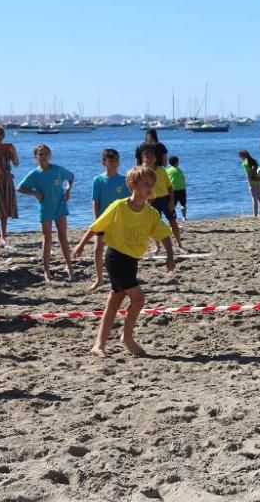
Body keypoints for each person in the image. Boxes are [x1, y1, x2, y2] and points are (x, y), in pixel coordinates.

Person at [73, 166, 175, 357]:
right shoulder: (119, 206)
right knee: (139, 299)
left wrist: (170, 256)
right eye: (145, 184)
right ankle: (127, 338)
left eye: (152, 185)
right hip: (116, 258)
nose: (150, 188)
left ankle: (99, 344)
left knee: (114, 301)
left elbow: (164, 235)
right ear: (132, 185)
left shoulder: (151, 213)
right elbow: (96, 227)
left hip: (132, 261)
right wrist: (80, 245)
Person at [17, 145, 75, 282]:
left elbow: (71, 177)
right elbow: (20, 188)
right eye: (40, 154)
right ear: (36, 157)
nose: (43, 156)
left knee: (63, 237)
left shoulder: (58, 170)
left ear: (50, 155)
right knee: (47, 238)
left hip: (60, 207)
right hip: (45, 208)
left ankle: (69, 266)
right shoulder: (35, 174)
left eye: (45, 153)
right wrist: (34, 193)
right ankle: (46, 270)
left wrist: (68, 190)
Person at [89, 149, 130, 291]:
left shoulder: (124, 181)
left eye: (116, 160)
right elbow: (95, 201)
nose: (114, 163)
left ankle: (120, 278)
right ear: (104, 162)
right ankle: (99, 279)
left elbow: (128, 201)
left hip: (118, 221)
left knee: (119, 250)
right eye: (111, 160)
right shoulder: (98, 180)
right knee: (98, 249)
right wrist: (96, 220)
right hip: (102, 220)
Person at [138, 144, 186, 252]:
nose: (148, 160)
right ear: (143, 159)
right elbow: (139, 189)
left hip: (165, 198)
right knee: (154, 225)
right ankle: (158, 246)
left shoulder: (161, 170)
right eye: (146, 157)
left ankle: (179, 244)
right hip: (151, 200)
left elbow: (169, 187)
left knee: (173, 221)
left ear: (155, 159)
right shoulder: (142, 172)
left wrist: (171, 201)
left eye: (151, 157)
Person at [0, 125, 19, 248]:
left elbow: (16, 163)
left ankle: (3, 236)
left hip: (6, 180)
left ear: (2, 136)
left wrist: (14, 153)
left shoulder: (8, 148)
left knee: (4, 209)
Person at [239, 150, 260, 217]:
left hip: (252, 181)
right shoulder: (253, 160)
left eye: (240, 157)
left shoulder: (245, 163)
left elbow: (248, 174)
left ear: (242, 156)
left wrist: (249, 183)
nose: (240, 159)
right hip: (258, 180)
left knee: (254, 198)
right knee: (259, 198)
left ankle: (255, 215)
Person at [166, 156, 187, 220]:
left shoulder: (167, 171)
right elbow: (183, 179)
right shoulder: (180, 170)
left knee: (173, 204)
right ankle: (184, 217)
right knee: (183, 204)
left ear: (169, 163)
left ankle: (172, 217)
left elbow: (166, 180)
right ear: (177, 162)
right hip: (181, 189)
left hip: (172, 190)